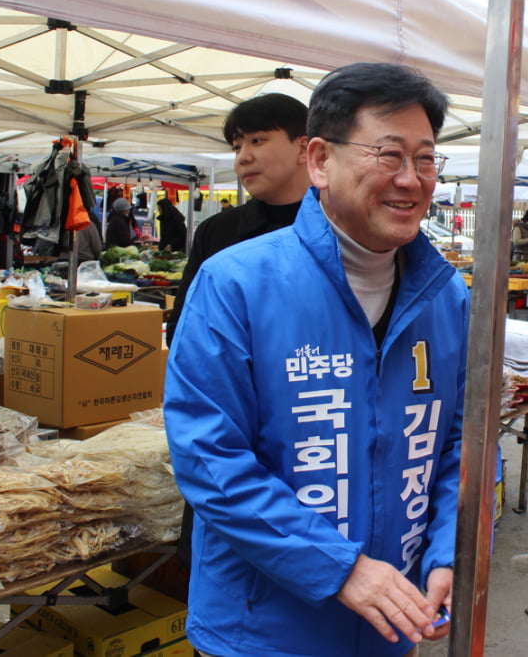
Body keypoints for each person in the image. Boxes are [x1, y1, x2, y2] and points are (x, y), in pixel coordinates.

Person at [164, 63, 467, 657]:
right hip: (261, 634)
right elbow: (209, 458)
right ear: (321, 161)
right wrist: (342, 568)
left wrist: (447, 554)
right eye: (389, 155)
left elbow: (461, 442)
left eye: (426, 159)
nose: (411, 180)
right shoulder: (234, 284)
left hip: (392, 625)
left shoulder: (449, 297)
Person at [167, 92, 312, 347]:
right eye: (237, 147)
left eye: (257, 140)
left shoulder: (346, 228)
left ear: (303, 148)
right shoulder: (217, 231)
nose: (243, 157)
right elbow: (183, 332)